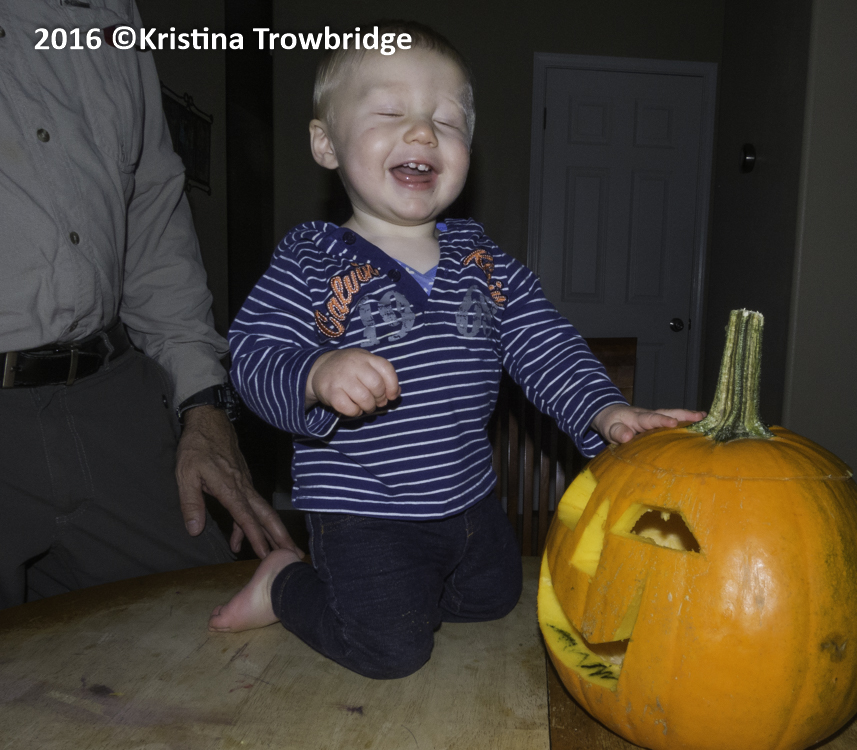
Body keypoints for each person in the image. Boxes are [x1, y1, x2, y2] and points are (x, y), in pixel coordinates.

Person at [208, 21, 703, 678]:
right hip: (365, 511)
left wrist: (604, 411)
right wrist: (314, 372)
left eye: (447, 120)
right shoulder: (309, 258)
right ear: (326, 144)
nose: (422, 132)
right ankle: (283, 584)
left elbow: (545, 343)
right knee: (391, 651)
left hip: (470, 496)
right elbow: (252, 354)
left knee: (495, 599)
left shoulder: (481, 258)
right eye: (391, 112)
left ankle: (405, 597)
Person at [0, 0, 300, 610]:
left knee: (216, 624)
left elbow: (154, 219)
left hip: (110, 397)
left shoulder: (117, 14)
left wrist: (203, 406)